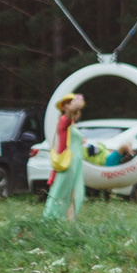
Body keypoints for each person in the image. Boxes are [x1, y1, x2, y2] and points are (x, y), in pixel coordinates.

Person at [42, 92, 85, 223]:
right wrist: (76, 103)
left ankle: (69, 220)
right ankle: (52, 217)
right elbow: (69, 115)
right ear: (63, 107)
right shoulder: (63, 120)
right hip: (68, 162)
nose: (70, 105)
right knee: (62, 190)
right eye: (67, 103)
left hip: (76, 161)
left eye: (71, 102)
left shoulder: (72, 123)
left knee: (74, 192)